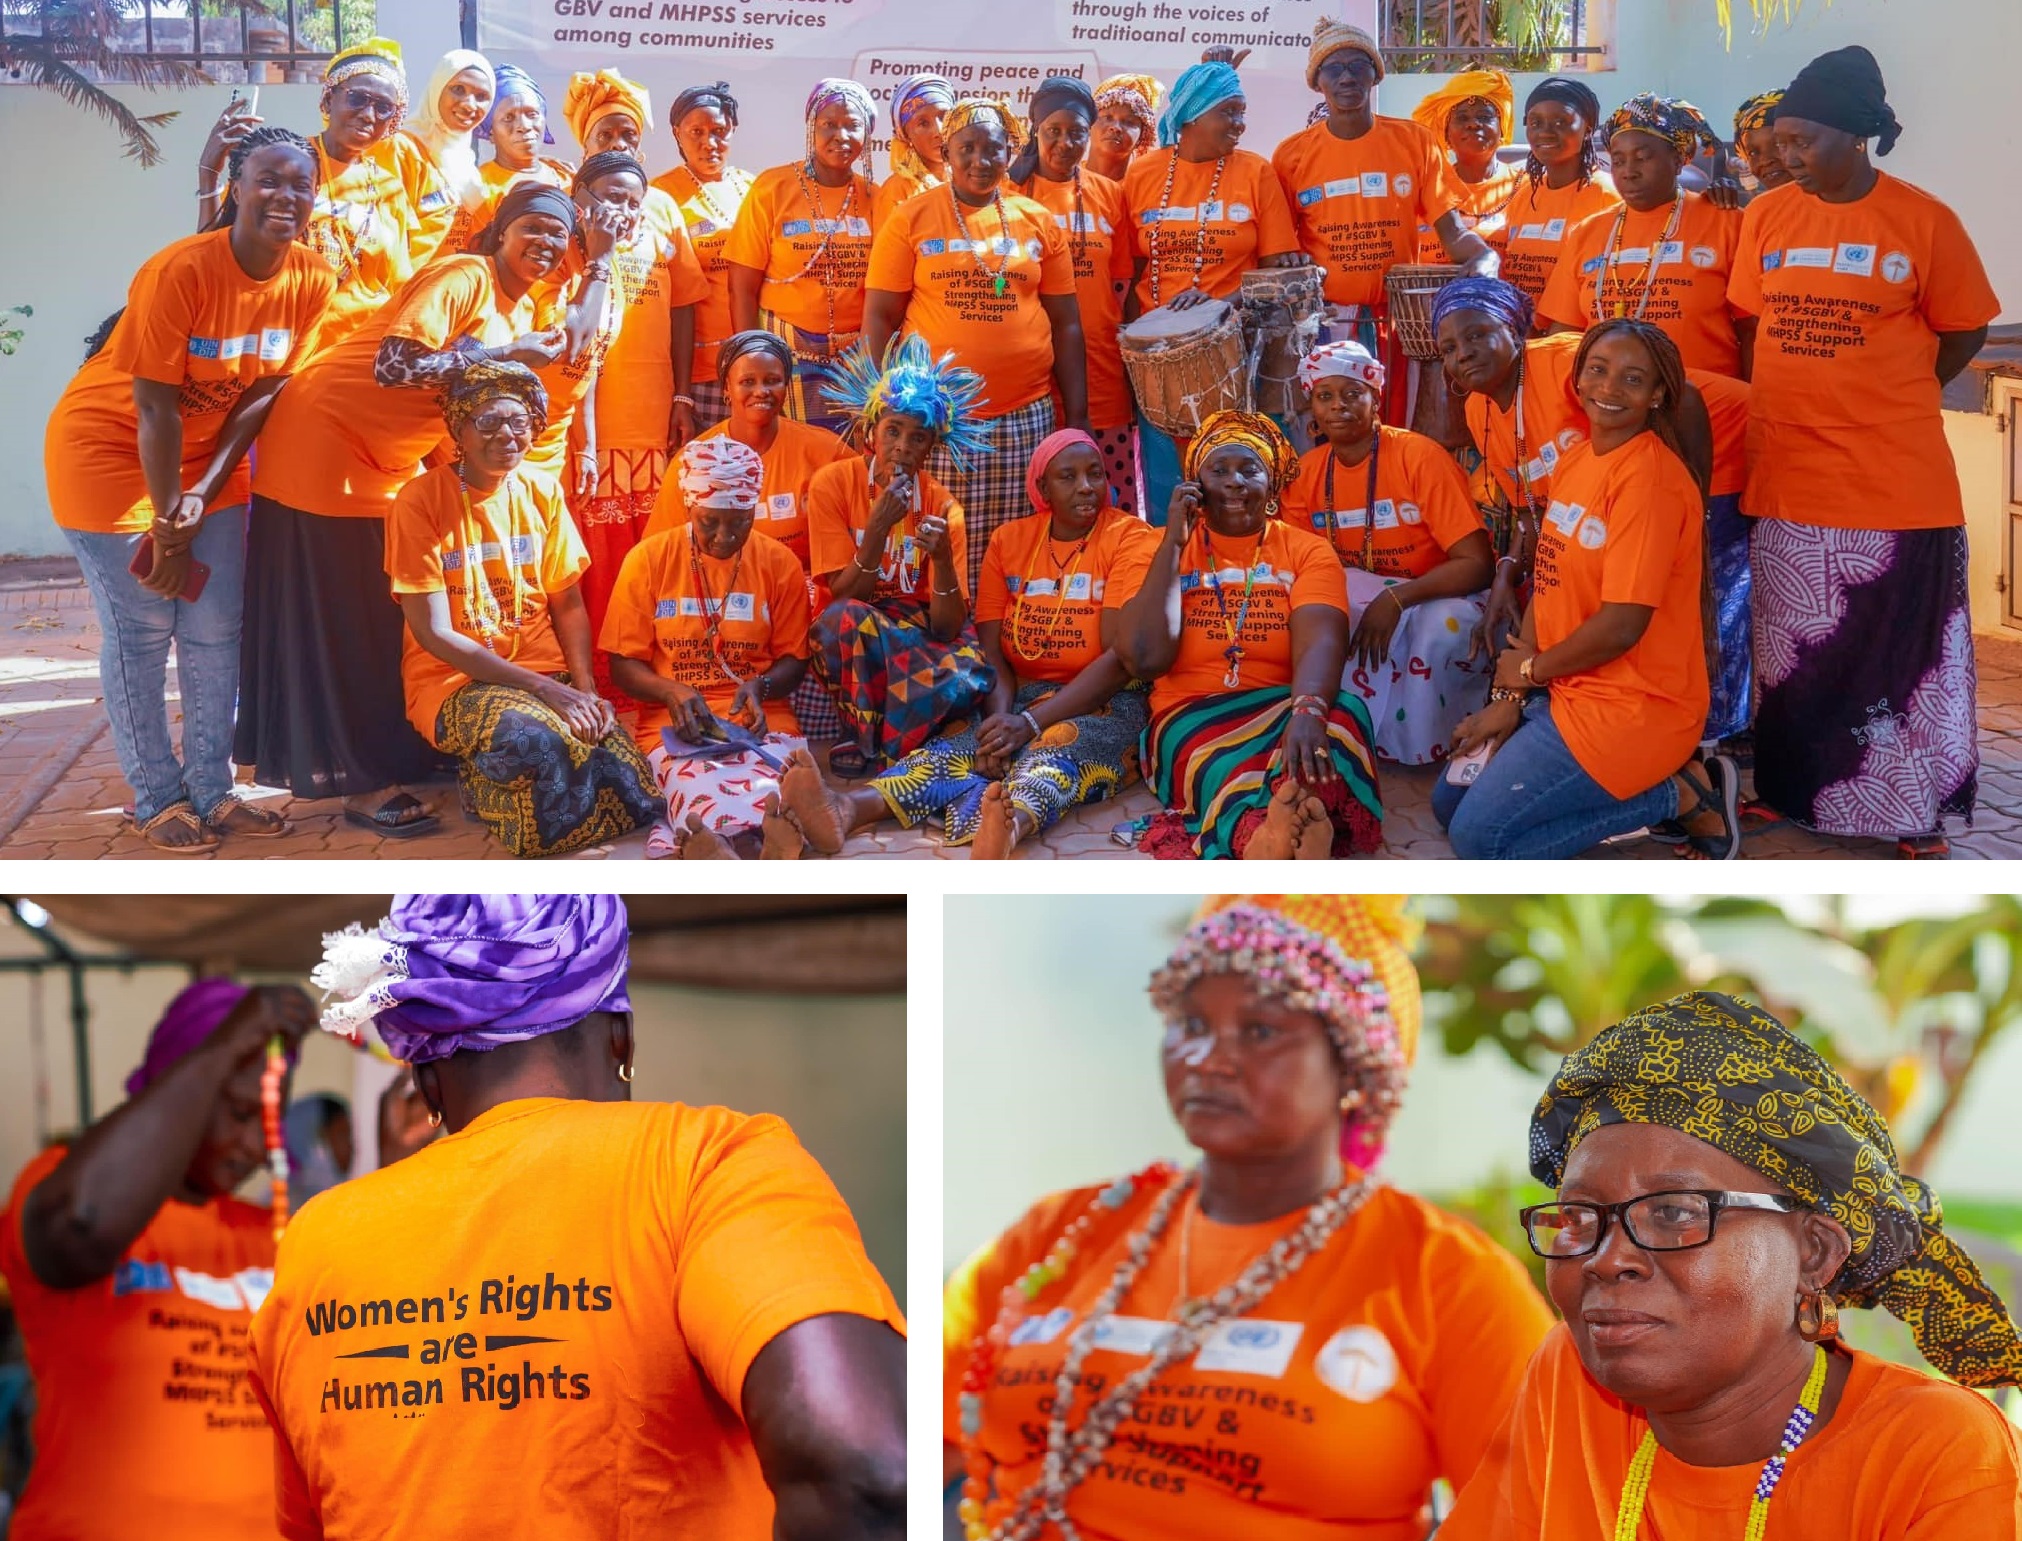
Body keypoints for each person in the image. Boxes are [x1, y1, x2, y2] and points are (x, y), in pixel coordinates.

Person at [252, 894, 906, 1538]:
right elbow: (866, 1464)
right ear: (621, 1033)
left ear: (426, 1083)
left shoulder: (315, 1242)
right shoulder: (704, 1165)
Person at [945, 895, 1556, 1541]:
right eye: (1190, 1021)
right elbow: (911, 1445)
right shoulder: (1061, 1232)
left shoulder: (1448, 1277)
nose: (1207, 1057)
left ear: (1353, 1064)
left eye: (1260, 1029)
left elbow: (1541, 1516)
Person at [1441, 989, 2022, 1539]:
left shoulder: (1940, 1457)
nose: (1609, 1257)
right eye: (1579, 1216)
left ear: (1813, 1253)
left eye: (1672, 1212)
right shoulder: (1568, 1379)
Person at [240, 180, 602, 838]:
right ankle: (359, 782)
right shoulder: (464, 274)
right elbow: (394, 366)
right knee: (345, 621)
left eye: (559, 234)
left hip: (388, 460)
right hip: (323, 440)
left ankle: (401, 753)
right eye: (532, 229)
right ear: (499, 233)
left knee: (392, 620)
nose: (545, 243)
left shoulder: (517, 311)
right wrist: (506, 354)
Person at [1734, 46, 1997, 859]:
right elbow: (1751, 320)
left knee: (1900, 654)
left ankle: (1910, 811)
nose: (1787, 156)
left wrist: (1899, 387)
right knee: (1793, 654)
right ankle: (1790, 790)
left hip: (1894, 483)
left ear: (1857, 137)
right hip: (1787, 475)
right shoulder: (1767, 217)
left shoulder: (1925, 221)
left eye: (1803, 140)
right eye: (1781, 141)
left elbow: (1964, 329)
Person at [45, 129, 332, 852]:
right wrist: (169, 514)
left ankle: (212, 790)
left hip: (209, 464)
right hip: (111, 458)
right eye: (269, 179)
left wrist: (201, 491)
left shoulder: (312, 278)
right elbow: (153, 406)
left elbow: (264, 393)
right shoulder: (180, 270)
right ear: (235, 188)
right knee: (143, 631)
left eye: (301, 184)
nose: (285, 196)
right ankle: (158, 798)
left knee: (213, 632)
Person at [0, 980, 314, 1538]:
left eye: (268, 1118)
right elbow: (81, 1225)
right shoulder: (57, 1188)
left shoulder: (274, 1233)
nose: (254, 1146)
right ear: (182, 1083)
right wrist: (226, 1045)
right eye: (240, 1112)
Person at [1435, 321, 1739, 860]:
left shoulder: (1650, 482)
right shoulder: (1578, 459)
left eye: (1632, 379)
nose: (1609, 389)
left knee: (1480, 842)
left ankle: (1678, 792)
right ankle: (1634, 788)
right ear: (1577, 379)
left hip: (1630, 707)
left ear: (1658, 394)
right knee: (1447, 806)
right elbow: (1547, 578)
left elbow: (1622, 626)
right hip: (1562, 688)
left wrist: (1529, 674)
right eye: (1597, 370)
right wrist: (1512, 695)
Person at [783, 429, 1158, 859]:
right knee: (960, 745)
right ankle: (846, 809)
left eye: (1095, 474)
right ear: (1042, 489)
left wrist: (1030, 726)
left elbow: (1119, 656)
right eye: (1068, 477)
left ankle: (1008, 825)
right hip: (1025, 693)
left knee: (1061, 749)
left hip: (1106, 698)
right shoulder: (1011, 541)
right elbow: (991, 649)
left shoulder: (1131, 537)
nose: (1087, 487)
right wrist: (1000, 724)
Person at [384, 360, 658, 858]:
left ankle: (497, 783)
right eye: (487, 422)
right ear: (459, 431)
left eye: (520, 421)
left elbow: (568, 603)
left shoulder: (542, 489)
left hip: (545, 673)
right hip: (454, 682)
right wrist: (548, 691)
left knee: (631, 782)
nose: (506, 435)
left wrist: (586, 690)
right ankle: (489, 786)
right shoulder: (419, 501)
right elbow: (433, 634)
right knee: (542, 746)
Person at [1114, 411, 1381, 859]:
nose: (1235, 481)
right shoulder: (1151, 548)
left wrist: (1308, 710)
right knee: (1220, 762)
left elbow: (1322, 638)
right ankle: (1265, 835)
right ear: (1194, 486)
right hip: (1192, 713)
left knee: (1346, 714)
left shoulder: (1307, 550)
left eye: (1249, 469)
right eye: (1218, 470)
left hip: (1286, 702)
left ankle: (1297, 815)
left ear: (1272, 487)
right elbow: (1143, 658)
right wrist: (1174, 546)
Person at [866, 96, 1084, 597]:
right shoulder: (910, 217)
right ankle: (939, 636)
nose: (980, 160)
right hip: (937, 424)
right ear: (945, 151)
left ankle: (1001, 636)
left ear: (1012, 151)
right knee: (939, 538)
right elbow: (879, 317)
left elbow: (1067, 325)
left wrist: (1078, 416)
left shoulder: (1037, 220)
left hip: (1024, 416)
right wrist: (877, 412)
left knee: (1016, 545)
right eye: (967, 148)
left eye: (994, 148)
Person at [1281, 341, 1495, 765]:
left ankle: (1424, 743)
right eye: (1325, 396)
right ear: (1313, 410)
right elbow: (1302, 567)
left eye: (1352, 393)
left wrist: (1397, 598)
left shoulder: (1419, 457)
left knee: (1437, 628)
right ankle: (1352, 732)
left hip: (1444, 595)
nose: (1338, 406)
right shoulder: (1307, 473)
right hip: (1364, 590)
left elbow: (1478, 565)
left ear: (1375, 398)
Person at [1271, 21, 1498, 419]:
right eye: (1333, 68)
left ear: (1375, 74)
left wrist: (1484, 260)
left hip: (1398, 326)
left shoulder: (1414, 142)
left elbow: (1453, 233)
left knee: (1398, 428)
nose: (1346, 77)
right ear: (1317, 82)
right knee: (1336, 433)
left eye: (1358, 65)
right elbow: (1279, 250)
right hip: (1326, 327)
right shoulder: (1291, 155)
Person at [602, 436, 815, 860]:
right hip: (671, 723)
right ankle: (724, 842)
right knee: (693, 779)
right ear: (689, 509)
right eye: (709, 522)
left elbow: (795, 659)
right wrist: (670, 691)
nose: (723, 536)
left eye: (738, 522)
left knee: (777, 782)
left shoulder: (778, 563)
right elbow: (623, 663)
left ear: (754, 510)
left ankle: (744, 839)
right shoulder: (648, 560)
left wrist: (762, 686)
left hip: (761, 718)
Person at [804, 335, 995, 775]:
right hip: (859, 629)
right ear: (871, 433)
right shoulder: (833, 484)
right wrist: (876, 528)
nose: (903, 447)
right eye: (893, 431)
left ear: (931, 448)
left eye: (918, 437)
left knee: (971, 670)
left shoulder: (945, 506)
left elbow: (947, 627)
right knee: (843, 622)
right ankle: (875, 736)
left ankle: (888, 743)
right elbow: (840, 599)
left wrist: (943, 559)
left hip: (918, 632)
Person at [1123, 60, 1304, 523]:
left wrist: (1223, 306)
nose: (1240, 124)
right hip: (1154, 356)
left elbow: (1277, 272)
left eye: (1242, 112)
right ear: (1192, 116)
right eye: (1229, 112)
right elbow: (1132, 267)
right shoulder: (1143, 174)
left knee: (1238, 473)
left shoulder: (1255, 173)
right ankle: (1176, 572)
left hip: (1236, 350)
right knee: (1169, 479)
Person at [560, 149, 711, 696]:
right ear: (582, 197)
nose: (623, 210)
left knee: (648, 556)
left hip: (653, 421)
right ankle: (602, 685)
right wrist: (586, 442)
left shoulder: (656, 230)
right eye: (611, 197)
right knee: (595, 561)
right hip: (591, 436)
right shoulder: (573, 251)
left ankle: (651, 679)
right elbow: (582, 358)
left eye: (633, 201)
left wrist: (682, 398)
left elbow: (682, 310)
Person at [199, 40, 442, 356]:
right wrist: (208, 174)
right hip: (286, 343)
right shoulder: (286, 161)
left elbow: (396, 283)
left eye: (383, 107)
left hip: (362, 349)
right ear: (328, 101)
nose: (369, 114)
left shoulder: (389, 186)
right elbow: (215, 252)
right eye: (357, 98)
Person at [1540, 95, 1746, 378]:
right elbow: (1564, 335)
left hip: (1706, 406)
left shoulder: (1726, 221)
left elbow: (1752, 330)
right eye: (1618, 160)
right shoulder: (1588, 231)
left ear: (1677, 160)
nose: (1628, 172)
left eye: (1642, 157)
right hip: (1610, 405)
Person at [1011, 75, 1141, 516]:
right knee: (1041, 503)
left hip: (1101, 369)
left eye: (1076, 133)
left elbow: (1122, 284)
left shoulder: (1109, 194)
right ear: (1035, 131)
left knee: (1108, 500)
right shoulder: (1007, 195)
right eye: (1054, 132)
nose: (1065, 143)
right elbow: (994, 276)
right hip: (1032, 380)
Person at [725, 79, 880, 435]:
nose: (840, 135)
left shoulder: (877, 196)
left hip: (857, 359)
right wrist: (749, 360)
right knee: (790, 460)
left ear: (868, 133)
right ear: (812, 127)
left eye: (852, 125)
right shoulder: (773, 187)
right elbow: (741, 288)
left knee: (847, 466)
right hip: (784, 355)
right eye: (829, 124)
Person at [655, 81, 758, 427]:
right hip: (697, 373)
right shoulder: (660, 194)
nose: (709, 143)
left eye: (719, 131)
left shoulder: (753, 188)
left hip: (754, 363)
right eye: (696, 132)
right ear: (676, 134)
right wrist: (680, 392)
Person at [1498, 77, 1620, 306]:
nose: (1545, 133)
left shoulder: (1607, 196)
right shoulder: (1524, 194)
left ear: (1587, 130)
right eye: (1535, 122)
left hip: (1573, 336)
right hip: (1521, 334)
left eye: (1560, 122)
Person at [1409, 69, 1523, 263]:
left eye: (1485, 117)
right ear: (1445, 136)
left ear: (1502, 127)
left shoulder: (1528, 188)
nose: (1473, 124)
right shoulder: (1426, 188)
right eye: (1462, 118)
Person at [394, 49, 496, 257]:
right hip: (408, 285)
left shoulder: (465, 164)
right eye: (458, 89)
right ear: (437, 89)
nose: (469, 104)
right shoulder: (403, 150)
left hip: (448, 283)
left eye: (482, 96)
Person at [467, 62, 577, 243]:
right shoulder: (476, 187)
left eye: (532, 114)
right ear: (490, 132)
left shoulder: (567, 178)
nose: (523, 126)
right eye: (508, 118)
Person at [873, 72, 956, 225]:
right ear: (906, 135)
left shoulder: (971, 179)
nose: (938, 131)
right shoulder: (896, 191)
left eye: (944, 117)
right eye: (923, 123)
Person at [1085, 72, 1162, 183]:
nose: (1116, 127)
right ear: (1089, 123)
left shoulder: (1145, 189)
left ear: (1143, 135)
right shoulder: (1065, 179)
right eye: (1107, 117)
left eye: (1129, 122)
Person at [563, 67, 651, 159]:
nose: (619, 145)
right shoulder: (558, 173)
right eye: (604, 135)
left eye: (629, 134)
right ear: (586, 147)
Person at [282, 1093, 353, 1208]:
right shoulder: (282, 1208)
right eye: (343, 1135)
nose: (352, 1147)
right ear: (316, 1142)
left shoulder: (342, 1204)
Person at [1733, 88, 1792, 196]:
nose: (1765, 161)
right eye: (1753, 153)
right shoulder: (1760, 210)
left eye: (1778, 144)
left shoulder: (1830, 203)